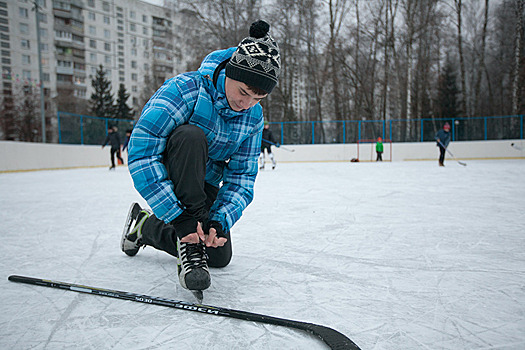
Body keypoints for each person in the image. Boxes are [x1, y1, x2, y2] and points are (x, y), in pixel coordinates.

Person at [121, 20, 281, 295]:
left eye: (258, 98)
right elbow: (141, 152)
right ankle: (189, 242)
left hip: (204, 183)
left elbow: (242, 176)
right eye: (243, 92)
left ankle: (145, 226)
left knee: (219, 257)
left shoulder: (252, 116)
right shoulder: (186, 89)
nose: (247, 104)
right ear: (230, 71)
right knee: (191, 136)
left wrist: (219, 221)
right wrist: (181, 218)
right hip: (172, 172)